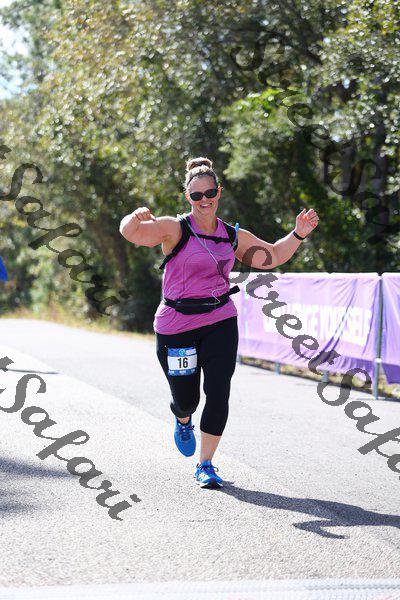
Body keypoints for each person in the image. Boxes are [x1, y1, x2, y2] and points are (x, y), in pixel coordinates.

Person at [119, 157, 319, 488]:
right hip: (176, 325)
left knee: (218, 392)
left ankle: (206, 464)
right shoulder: (174, 228)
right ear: (188, 197)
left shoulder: (231, 235)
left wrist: (298, 233)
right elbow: (132, 233)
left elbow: (272, 255)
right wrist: (134, 217)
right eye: (197, 195)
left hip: (219, 319)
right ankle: (183, 418)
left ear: (218, 192)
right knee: (187, 400)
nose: (204, 200)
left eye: (210, 193)